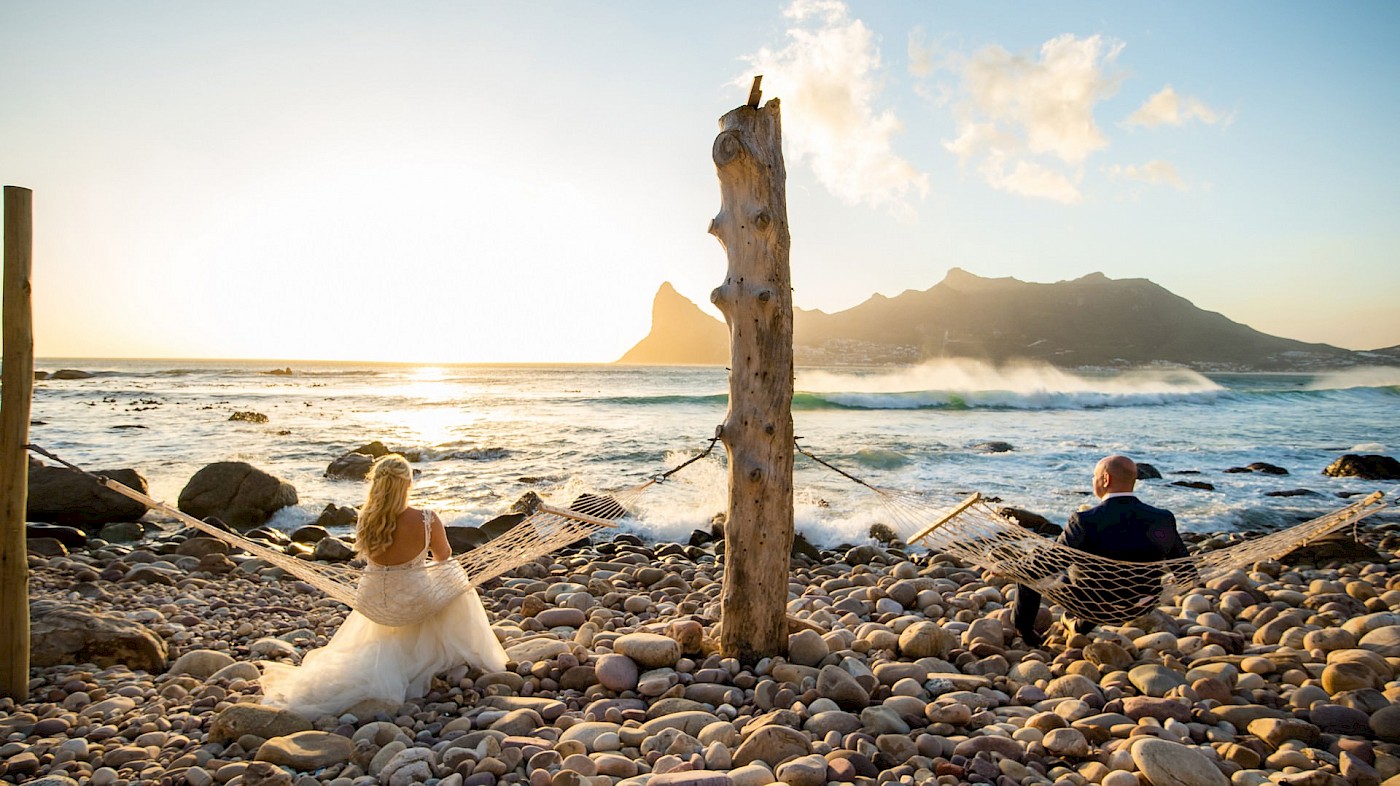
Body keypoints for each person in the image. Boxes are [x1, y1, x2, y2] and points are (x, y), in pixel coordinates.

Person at [260, 454, 509, 718]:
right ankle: (461, 655)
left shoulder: (366, 519)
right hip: (413, 600)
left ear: (376, 484)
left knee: (425, 583)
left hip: (373, 599)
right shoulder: (426, 518)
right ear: (407, 485)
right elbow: (444, 556)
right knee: (454, 577)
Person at [1012, 454, 1190, 648]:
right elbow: (1186, 572)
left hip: (1093, 603)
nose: (1093, 481)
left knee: (1027, 574)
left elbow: (1049, 563)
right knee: (1085, 576)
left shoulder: (1085, 520)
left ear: (1105, 479)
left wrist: (1012, 567)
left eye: (1094, 477)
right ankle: (1078, 625)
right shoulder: (1162, 518)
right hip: (1141, 602)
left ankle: (1026, 634)